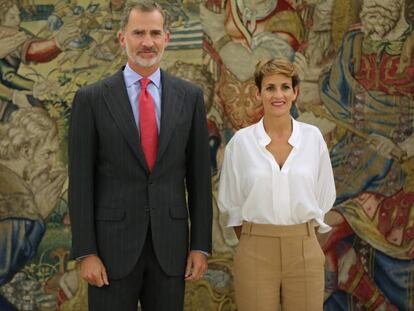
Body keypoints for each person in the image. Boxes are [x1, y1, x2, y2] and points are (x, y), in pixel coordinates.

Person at [68, 1, 212, 310]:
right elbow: (80, 183)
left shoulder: (190, 98)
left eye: (155, 33)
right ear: (123, 38)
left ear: (166, 38)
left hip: (170, 251)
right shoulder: (91, 100)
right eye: (138, 33)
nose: (147, 42)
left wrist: (200, 246)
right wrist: (86, 252)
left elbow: (199, 179)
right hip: (109, 252)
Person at [315, 0, 414, 309]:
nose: (371, 4)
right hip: (349, 156)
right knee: (307, 223)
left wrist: (403, 147)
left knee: (326, 227)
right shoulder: (355, 41)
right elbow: (335, 100)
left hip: (395, 167)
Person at [218, 57, 336, 311]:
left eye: (284, 87)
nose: (277, 94)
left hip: (304, 248)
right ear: (259, 93)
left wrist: (301, 239)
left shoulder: (313, 139)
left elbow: (323, 197)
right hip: (255, 250)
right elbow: (233, 205)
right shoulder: (241, 144)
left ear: (295, 92)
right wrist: (256, 239)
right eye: (270, 87)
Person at [0, 108, 66, 311]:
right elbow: (3, 266)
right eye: (48, 154)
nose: (52, 164)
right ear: (26, 151)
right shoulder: (15, 197)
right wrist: (38, 217)